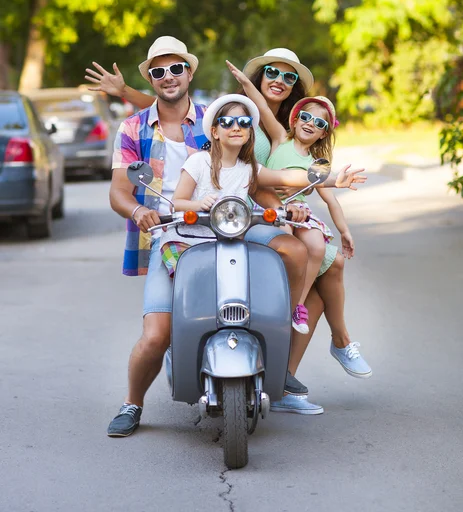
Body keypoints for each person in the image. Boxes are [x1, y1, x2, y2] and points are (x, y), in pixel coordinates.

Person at [86, 47, 367, 415]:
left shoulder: (217, 119)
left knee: (299, 252)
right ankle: (132, 404)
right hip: (175, 230)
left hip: (234, 222)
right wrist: (142, 210)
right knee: (156, 336)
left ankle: (284, 344)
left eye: (177, 69)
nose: (169, 77)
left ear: (190, 73)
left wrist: (329, 179)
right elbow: (125, 187)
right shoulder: (142, 130)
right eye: (159, 72)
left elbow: (281, 174)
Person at [227, 59, 372, 378]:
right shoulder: (278, 137)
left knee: (321, 249)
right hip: (270, 211)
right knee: (304, 245)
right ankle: (303, 326)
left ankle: (298, 308)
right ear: (294, 120)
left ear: (324, 133)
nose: (309, 123)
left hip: (299, 215)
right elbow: (262, 107)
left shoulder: (317, 163)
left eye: (318, 123)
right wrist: (246, 82)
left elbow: (329, 196)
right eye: (304, 116)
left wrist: (344, 229)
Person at [160, 94, 360, 280]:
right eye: (227, 122)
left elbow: (287, 176)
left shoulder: (248, 169)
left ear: (249, 132)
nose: (236, 127)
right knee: (192, 281)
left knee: (247, 281)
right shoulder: (198, 161)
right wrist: (199, 204)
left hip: (228, 242)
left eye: (244, 123)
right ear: (215, 132)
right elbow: (176, 203)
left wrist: (334, 181)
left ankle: (288, 311)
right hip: (186, 239)